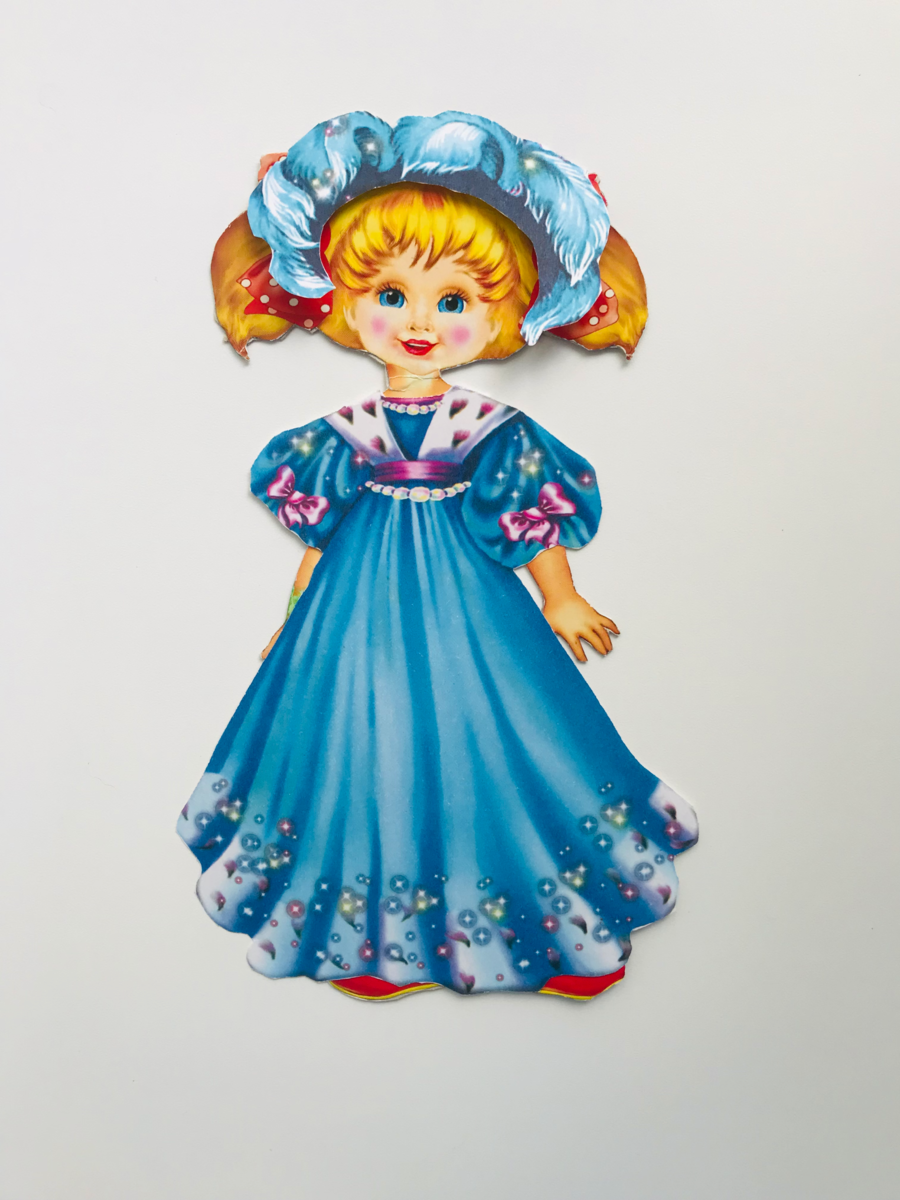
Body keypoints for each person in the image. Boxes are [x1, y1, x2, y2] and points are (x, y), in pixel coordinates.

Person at [179, 111, 697, 1001]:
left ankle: (540, 926)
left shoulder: (488, 426)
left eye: (453, 302)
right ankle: (369, 938)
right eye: (391, 295)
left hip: (469, 598)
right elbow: (320, 539)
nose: (418, 321)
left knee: (496, 735)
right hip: (356, 604)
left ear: (502, 317)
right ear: (344, 301)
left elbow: (527, 518)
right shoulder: (344, 433)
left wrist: (561, 597)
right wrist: (293, 621)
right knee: (361, 741)